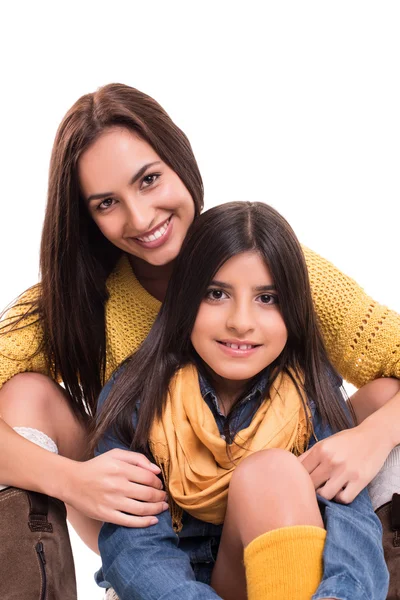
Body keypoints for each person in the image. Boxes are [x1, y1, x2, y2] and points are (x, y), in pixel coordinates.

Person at [0, 83, 399, 591]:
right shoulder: (83, 306)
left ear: (180, 158)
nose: (140, 219)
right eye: (106, 203)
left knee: (385, 399)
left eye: (148, 180)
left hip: (285, 508)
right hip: (143, 519)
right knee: (23, 395)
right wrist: (71, 480)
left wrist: (374, 435)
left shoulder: (271, 262)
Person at [93, 201, 390, 600]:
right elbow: (136, 549)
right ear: (185, 298)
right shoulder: (135, 394)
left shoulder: (310, 390)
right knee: (268, 473)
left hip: (293, 581)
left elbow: (350, 521)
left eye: (267, 298)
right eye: (217, 294)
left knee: (272, 474)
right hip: (174, 592)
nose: (241, 321)